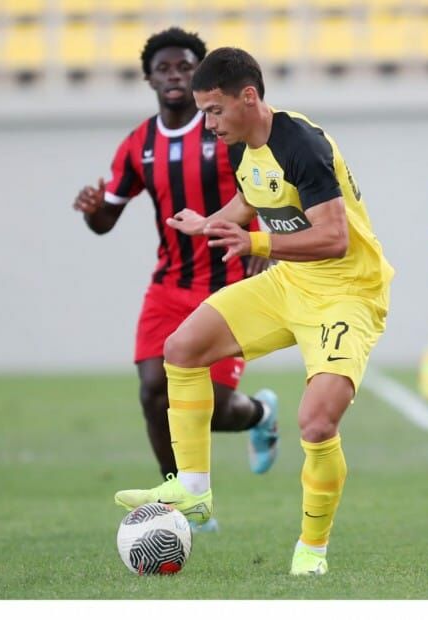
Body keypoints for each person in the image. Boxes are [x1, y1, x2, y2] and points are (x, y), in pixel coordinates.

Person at [114, 47, 393, 576]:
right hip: (291, 283)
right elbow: (253, 197)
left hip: (347, 294)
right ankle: (194, 490)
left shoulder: (301, 144)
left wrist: (256, 243)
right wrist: (209, 222)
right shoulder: (242, 144)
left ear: (248, 97)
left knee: (317, 423)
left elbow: (333, 238)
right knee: (182, 348)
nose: (208, 123)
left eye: (214, 110)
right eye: (203, 112)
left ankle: (311, 550)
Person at [72, 29, 279, 533]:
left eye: (185, 67)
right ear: (149, 78)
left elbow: (266, 188)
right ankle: (181, 501)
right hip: (169, 284)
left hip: (228, 282)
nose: (174, 76)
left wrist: (263, 243)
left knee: (213, 408)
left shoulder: (225, 131)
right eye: (163, 68)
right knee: (152, 392)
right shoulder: (138, 144)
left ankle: (259, 414)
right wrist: (94, 210)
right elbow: (105, 221)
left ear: (200, 76)